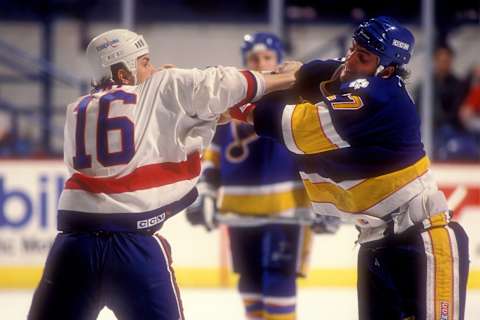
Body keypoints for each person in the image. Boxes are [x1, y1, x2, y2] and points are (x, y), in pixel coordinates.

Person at [28, 29, 298, 320]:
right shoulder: (161, 86)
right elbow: (221, 83)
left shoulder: (77, 110)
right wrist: (290, 76)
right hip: (133, 249)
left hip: (72, 248)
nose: (153, 68)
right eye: (145, 62)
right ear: (122, 73)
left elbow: (162, 125)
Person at [230, 17, 470, 320]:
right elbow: (301, 72)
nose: (351, 60)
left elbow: (297, 128)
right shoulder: (355, 73)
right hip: (375, 241)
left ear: (388, 68)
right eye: (353, 48)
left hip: (420, 240)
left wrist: (228, 102)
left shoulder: (377, 95)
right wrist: (276, 77)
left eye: (363, 56)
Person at [186, 32, 339, 320]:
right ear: (245, 61)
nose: (261, 62)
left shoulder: (297, 101)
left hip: (287, 212)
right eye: (254, 58)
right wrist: (206, 191)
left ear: (278, 60)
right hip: (238, 212)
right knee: (249, 281)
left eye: (267, 57)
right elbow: (214, 154)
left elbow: (315, 153)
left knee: (278, 279)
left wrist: (325, 199)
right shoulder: (229, 99)